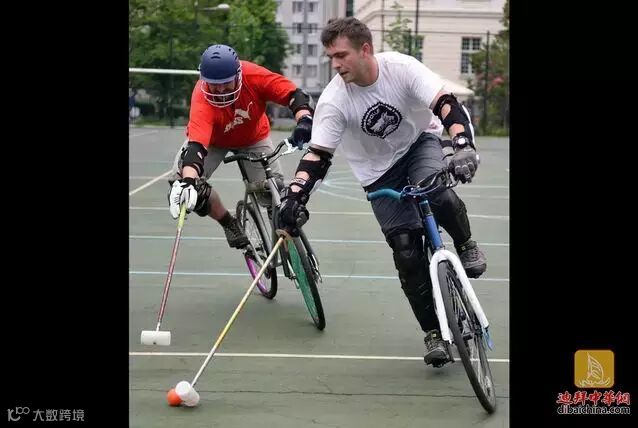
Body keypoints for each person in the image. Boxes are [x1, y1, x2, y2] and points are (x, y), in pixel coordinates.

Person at [277, 18, 487, 368]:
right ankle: (433, 332)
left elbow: (445, 103)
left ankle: (465, 244)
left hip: (419, 142)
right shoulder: (334, 100)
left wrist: (463, 145)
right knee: (405, 251)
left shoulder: (400, 68)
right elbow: (318, 155)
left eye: (341, 55)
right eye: (331, 57)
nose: (335, 64)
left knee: (434, 189)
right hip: (377, 173)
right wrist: (295, 196)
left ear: (365, 49)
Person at [167, 44, 314, 249]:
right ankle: (229, 223)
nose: (220, 90)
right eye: (213, 84)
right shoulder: (201, 96)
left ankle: (283, 236)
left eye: (225, 83)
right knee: (183, 184)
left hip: (253, 137)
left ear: (238, 75)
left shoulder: (254, 76)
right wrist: (188, 181)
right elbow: (196, 147)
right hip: (214, 141)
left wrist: (304, 120)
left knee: (274, 191)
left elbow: (294, 95)